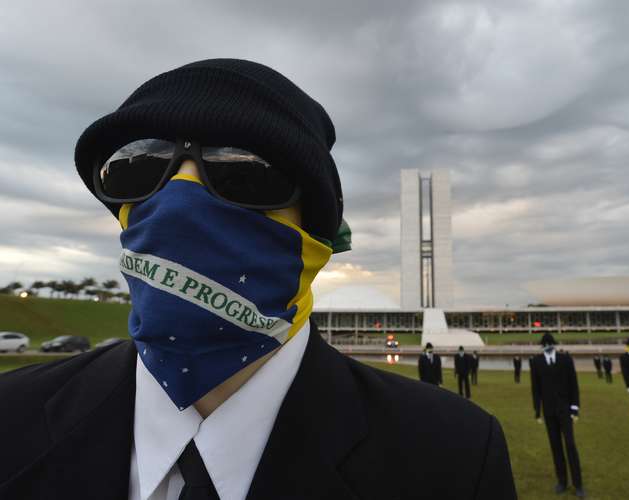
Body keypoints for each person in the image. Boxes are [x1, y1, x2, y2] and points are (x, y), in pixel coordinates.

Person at [0, 59, 517, 499]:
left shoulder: (453, 457)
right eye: (137, 168)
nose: (179, 199)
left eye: (244, 172)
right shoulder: (11, 418)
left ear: (315, 234)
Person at [530, 334, 585, 498]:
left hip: (565, 410)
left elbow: (573, 384)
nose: (548, 346)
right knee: (556, 447)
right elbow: (536, 389)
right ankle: (562, 481)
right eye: (545, 344)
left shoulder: (565, 360)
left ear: (553, 344)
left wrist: (575, 408)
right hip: (549, 411)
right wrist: (537, 411)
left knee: (570, 445)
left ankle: (578, 484)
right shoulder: (536, 362)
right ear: (542, 346)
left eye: (550, 344)